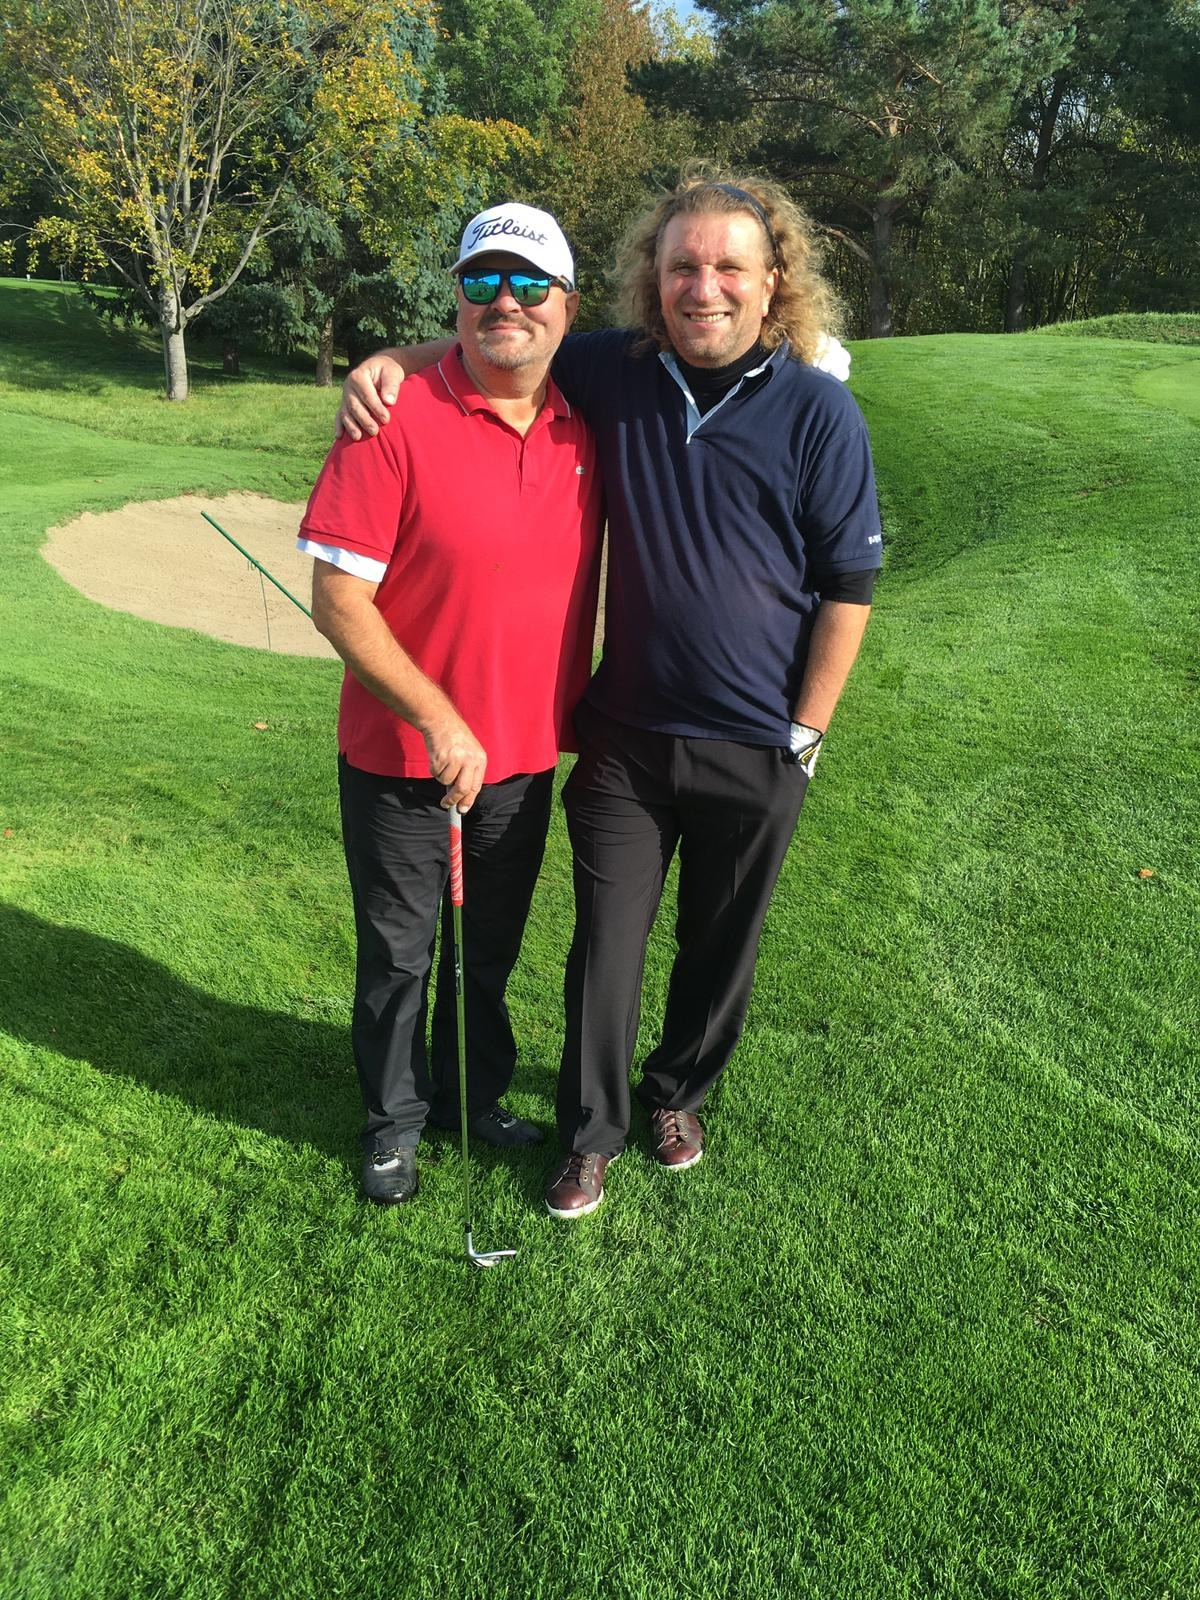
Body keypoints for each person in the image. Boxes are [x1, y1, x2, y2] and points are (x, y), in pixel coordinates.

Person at [336, 171, 883, 1220]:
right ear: (652, 278)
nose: (704, 287)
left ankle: (675, 1093)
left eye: (729, 268)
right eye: (684, 266)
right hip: (626, 736)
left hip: (758, 740)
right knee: (606, 947)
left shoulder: (820, 410)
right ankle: (590, 1136)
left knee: (720, 943)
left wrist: (805, 733)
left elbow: (848, 586)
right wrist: (387, 363)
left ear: (774, 281)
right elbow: (500, 340)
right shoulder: (615, 369)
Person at [301, 202, 603, 1204]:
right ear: (458, 300)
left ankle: (469, 1099)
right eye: (481, 282)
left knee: (488, 951)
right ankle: (393, 1123)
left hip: (522, 756)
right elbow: (338, 600)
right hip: (401, 756)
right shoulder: (391, 419)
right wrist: (436, 718)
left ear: (568, 305)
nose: (504, 302)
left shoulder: (586, 421)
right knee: (400, 955)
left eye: (528, 284)